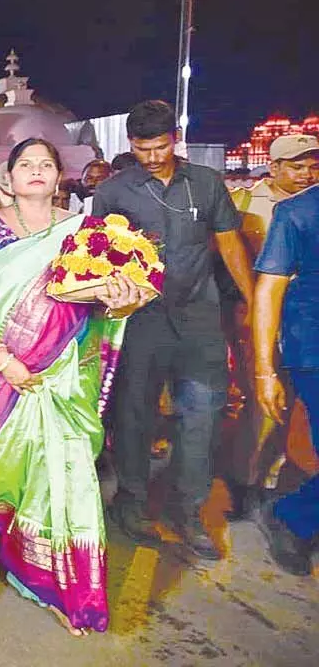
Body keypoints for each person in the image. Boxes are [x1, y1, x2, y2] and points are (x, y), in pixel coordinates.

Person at [0, 138, 147, 634]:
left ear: (60, 175)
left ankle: (57, 581)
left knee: (67, 467)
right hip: (1, 362)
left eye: (46, 164)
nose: (36, 171)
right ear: (8, 177)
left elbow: (104, 304)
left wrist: (124, 302)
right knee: (1, 450)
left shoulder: (85, 230)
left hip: (66, 368)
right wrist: (2, 358)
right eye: (26, 164)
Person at [93, 100, 253, 559]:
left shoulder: (205, 183)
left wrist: (251, 303)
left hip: (200, 320)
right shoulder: (114, 191)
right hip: (139, 323)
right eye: (142, 149)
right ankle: (132, 502)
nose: (152, 157)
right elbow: (96, 257)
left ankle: (189, 510)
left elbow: (229, 245)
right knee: (135, 415)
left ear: (175, 140)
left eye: (160, 147)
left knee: (201, 415)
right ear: (131, 145)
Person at [223, 134, 319, 519]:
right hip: (257, 318)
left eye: (312, 166)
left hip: (302, 322)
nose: (306, 174)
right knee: (264, 405)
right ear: (274, 167)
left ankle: (280, 479)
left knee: (298, 410)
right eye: (297, 166)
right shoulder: (244, 203)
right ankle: (245, 482)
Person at [251, 179, 319, 576]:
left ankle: (293, 511)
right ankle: (290, 518)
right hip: (312, 347)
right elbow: (269, 289)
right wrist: (264, 370)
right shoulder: (297, 212)